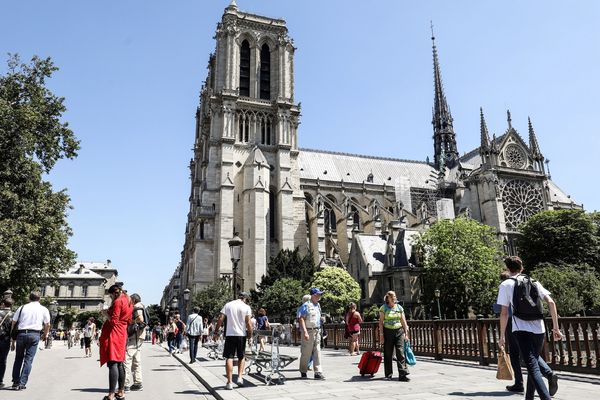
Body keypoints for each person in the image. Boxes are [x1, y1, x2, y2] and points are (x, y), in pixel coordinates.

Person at [498, 256, 562, 400]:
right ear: (522, 268)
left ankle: (546, 398)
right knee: (533, 361)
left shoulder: (506, 284)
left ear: (508, 269)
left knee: (532, 366)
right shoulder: (533, 281)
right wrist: (556, 328)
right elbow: (551, 303)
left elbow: (503, 312)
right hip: (539, 328)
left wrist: (502, 336)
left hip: (520, 329)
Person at [10, 291, 51, 390]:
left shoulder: (22, 307)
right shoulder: (43, 309)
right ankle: (22, 383)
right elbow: (47, 324)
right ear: (39, 299)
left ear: (29, 298)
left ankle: (15, 381)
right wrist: (45, 334)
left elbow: (14, 322)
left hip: (21, 334)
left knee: (18, 358)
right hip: (34, 334)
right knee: (28, 359)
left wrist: (12, 339)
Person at [99, 284, 133, 400]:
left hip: (114, 333)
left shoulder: (118, 301)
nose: (111, 298)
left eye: (111, 295)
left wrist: (105, 313)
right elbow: (128, 319)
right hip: (122, 332)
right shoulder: (128, 300)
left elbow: (113, 321)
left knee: (113, 362)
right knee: (119, 363)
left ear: (114, 293)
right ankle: (121, 392)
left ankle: (111, 395)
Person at [214, 292, 253, 390]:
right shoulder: (246, 307)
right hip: (241, 335)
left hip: (230, 334)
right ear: (245, 298)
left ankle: (229, 382)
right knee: (241, 356)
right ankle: (240, 377)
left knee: (229, 357)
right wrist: (250, 335)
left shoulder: (228, 304)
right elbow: (248, 323)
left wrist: (216, 331)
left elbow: (220, 318)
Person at [379, 290, 410, 381]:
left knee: (400, 352)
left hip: (399, 331)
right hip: (387, 331)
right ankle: (388, 374)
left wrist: (406, 333)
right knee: (388, 353)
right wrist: (381, 335)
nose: (394, 298)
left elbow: (403, 321)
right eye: (392, 297)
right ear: (388, 298)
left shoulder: (399, 308)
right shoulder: (383, 308)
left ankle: (403, 374)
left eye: (394, 296)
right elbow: (381, 322)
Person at [298, 288, 326, 380]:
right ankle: (303, 371)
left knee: (317, 351)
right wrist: (305, 332)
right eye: (318, 294)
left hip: (317, 331)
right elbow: (301, 319)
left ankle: (318, 372)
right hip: (309, 331)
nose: (320, 296)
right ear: (313, 295)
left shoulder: (318, 305)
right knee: (306, 352)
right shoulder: (306, 305)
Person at [124, 293, 145, 392]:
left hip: (135, 336)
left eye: (130, 300)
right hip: (139, 336)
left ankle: (125, 384)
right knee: (136, 361)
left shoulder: (137, 307)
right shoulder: (142, 306)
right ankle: (138, 383)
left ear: (133, 300)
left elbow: (140, 319)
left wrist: (131, 322)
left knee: (126, 359)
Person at [0, 298, 14, 388]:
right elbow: (14, 329)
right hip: (6, 339)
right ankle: (0, 380)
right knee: (2, 360)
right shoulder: (13, 314)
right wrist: (13, 342)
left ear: (3, 304)